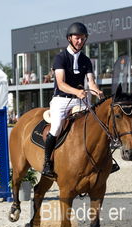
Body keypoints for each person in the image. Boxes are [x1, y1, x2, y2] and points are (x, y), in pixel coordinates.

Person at [41, 22, 104, 179]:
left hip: (80, 100)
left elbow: (91, 82)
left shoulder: (86, 60)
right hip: (61, 100)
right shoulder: (60, 58)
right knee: (56, 128)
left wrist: (98, 92)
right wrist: (77, 91)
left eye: (83, 39)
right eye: (77, 38)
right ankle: (47, 163)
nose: (80, 42)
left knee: (97, 124)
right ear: (69, 38)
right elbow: (61, 83)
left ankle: (103, 160)